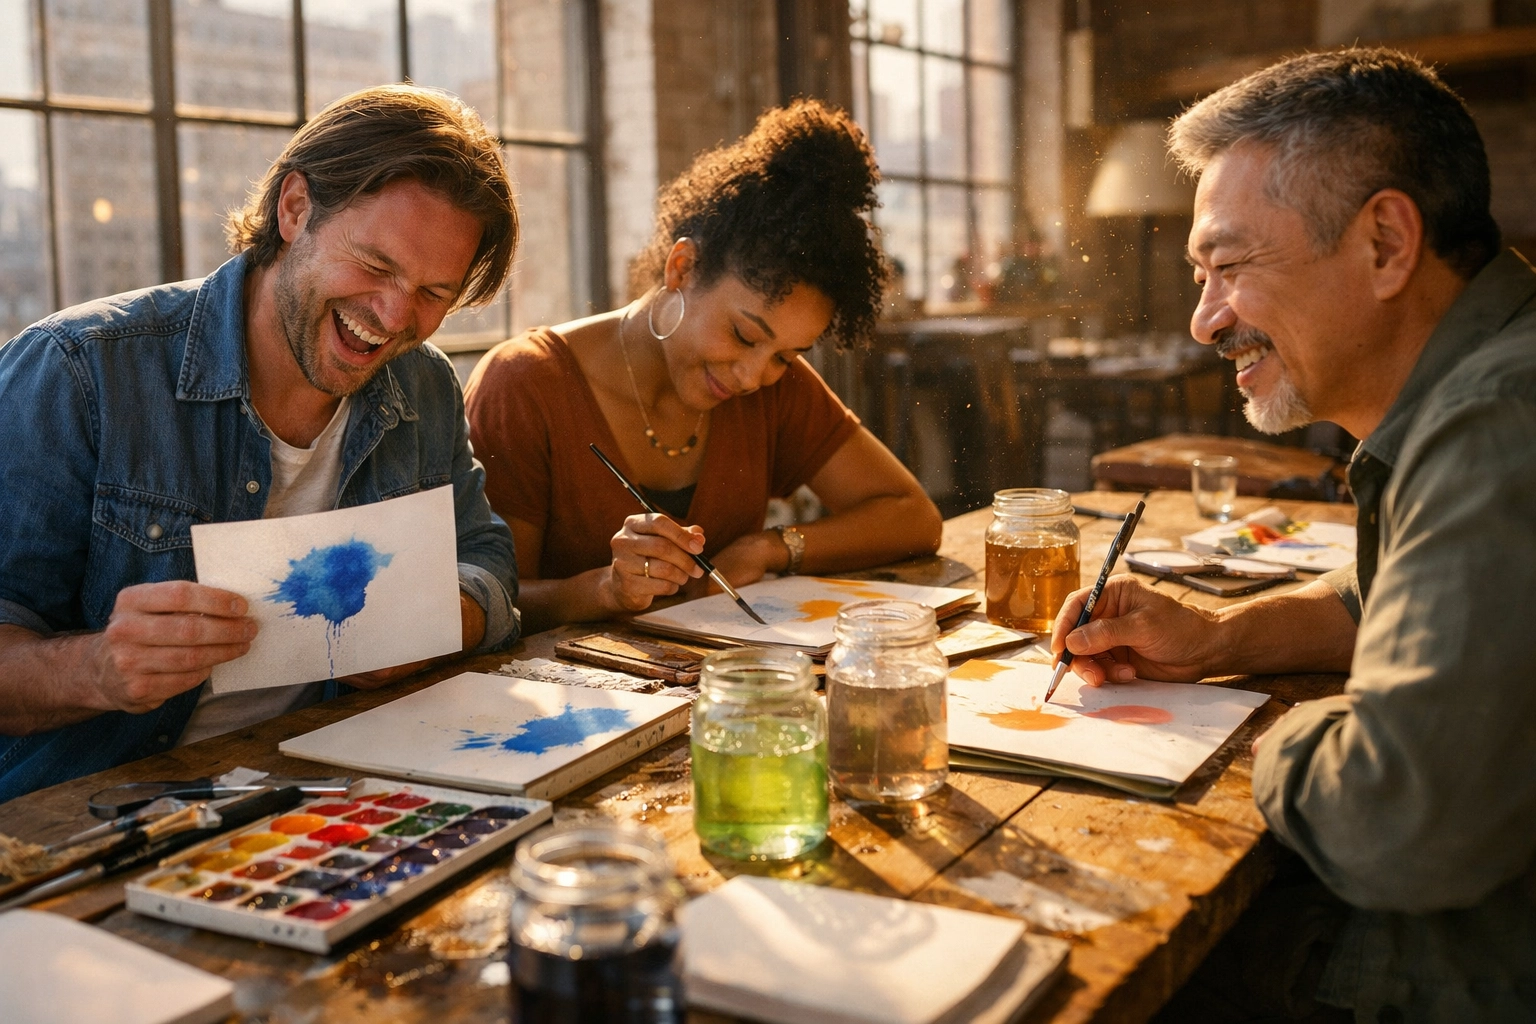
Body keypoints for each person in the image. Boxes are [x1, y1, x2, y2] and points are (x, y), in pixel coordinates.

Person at [1050, 50, 1535, 1022]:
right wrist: (1219, 639)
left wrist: (1272, 730)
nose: (1202, 321)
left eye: (1230, 267)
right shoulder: (1478, 379)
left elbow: (1395, 823)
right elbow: (1387, 597)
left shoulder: (1496, 422)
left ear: (1387, 244)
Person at [0, 85, 521, 801]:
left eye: (435, 293)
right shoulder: (77, 371)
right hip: (90, 815)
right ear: (295, 208)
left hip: (327, 786)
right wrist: (96, 669)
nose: (396, 316)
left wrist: (439, 621)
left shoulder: (424, 385)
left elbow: (486, 557)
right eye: (375, 266)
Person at [465, 100, 942, 632]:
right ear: (682, 267)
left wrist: (770, 548)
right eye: (743, 335)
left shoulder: (772, 389)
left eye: (786, 357)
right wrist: (606, 589)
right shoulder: (526, 384)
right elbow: (480, 603)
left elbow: (911, 516)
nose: (751, 377)